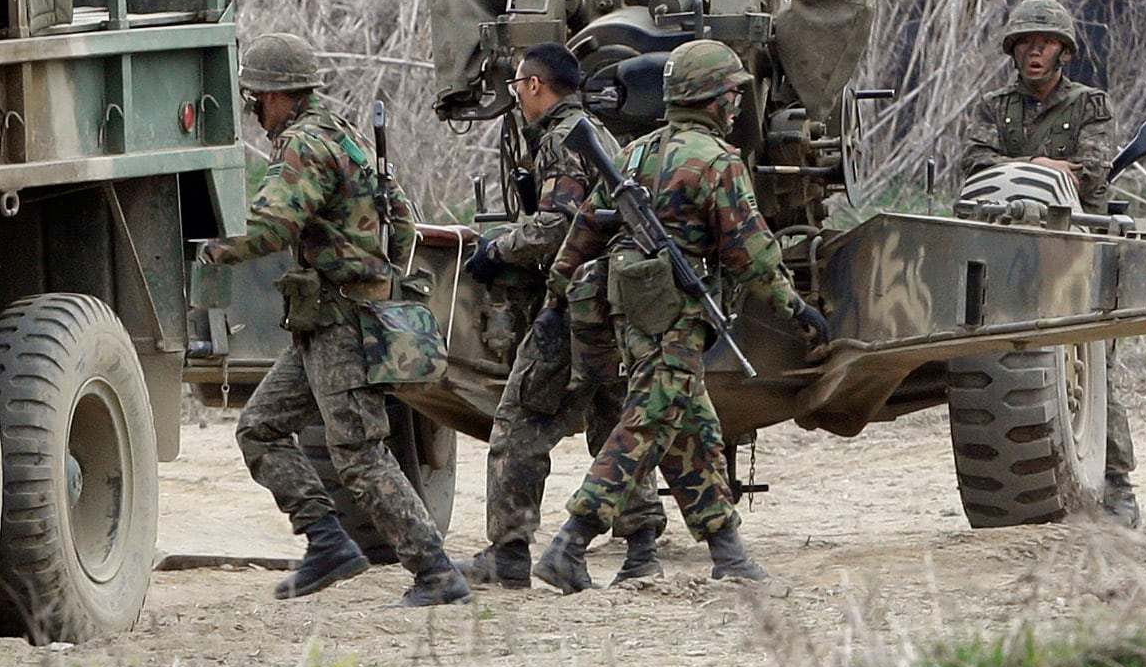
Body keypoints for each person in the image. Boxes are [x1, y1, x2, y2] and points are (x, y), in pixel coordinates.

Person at [532, 40, 829, 593]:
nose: (737, 105)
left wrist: (556, 290)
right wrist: (797, 308)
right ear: (713, 100)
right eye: (732, 94)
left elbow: (588, 223)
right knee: (646, 424)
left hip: (631, 307)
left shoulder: (636, 151)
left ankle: (729, 552)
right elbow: (752, 254)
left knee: (694, 429)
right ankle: (570, 543)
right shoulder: (716, 161)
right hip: (674, 310)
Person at [198, 33, 473, 608]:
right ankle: (327, 541)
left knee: (360, 452)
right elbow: (401, 222)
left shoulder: (303, 144)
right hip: (332, 319)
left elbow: (271, 228)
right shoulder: (345, 135)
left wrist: (215, 249)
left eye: (255, 99)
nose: (254, 111)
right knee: (260, 428)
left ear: (273, 96)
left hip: (337, 320)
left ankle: (436, 572)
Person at [459, 43, 669, 589]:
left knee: (519, 423)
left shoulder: (561, 139)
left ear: (533, 86)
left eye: (517, 89)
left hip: (572, 301)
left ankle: (508, 553)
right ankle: (642, 549)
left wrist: (499, 248)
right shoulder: (597, 133)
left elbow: (559, 223)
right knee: (613, 419)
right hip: (610, 301)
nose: (516, 100)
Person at [958, 0, 1139, 527]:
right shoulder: (995, 106)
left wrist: (1034, 172)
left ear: (1063, 51)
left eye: (1045, 44)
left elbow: (1093, 175)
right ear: (1014, 52)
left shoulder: (1090, 106)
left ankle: (1117, 488)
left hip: (1074, 247)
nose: (1035, 53)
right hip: (1003, 251)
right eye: (1026, 44)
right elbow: (974, 164)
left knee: (1094, 373)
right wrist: (1038, 165)